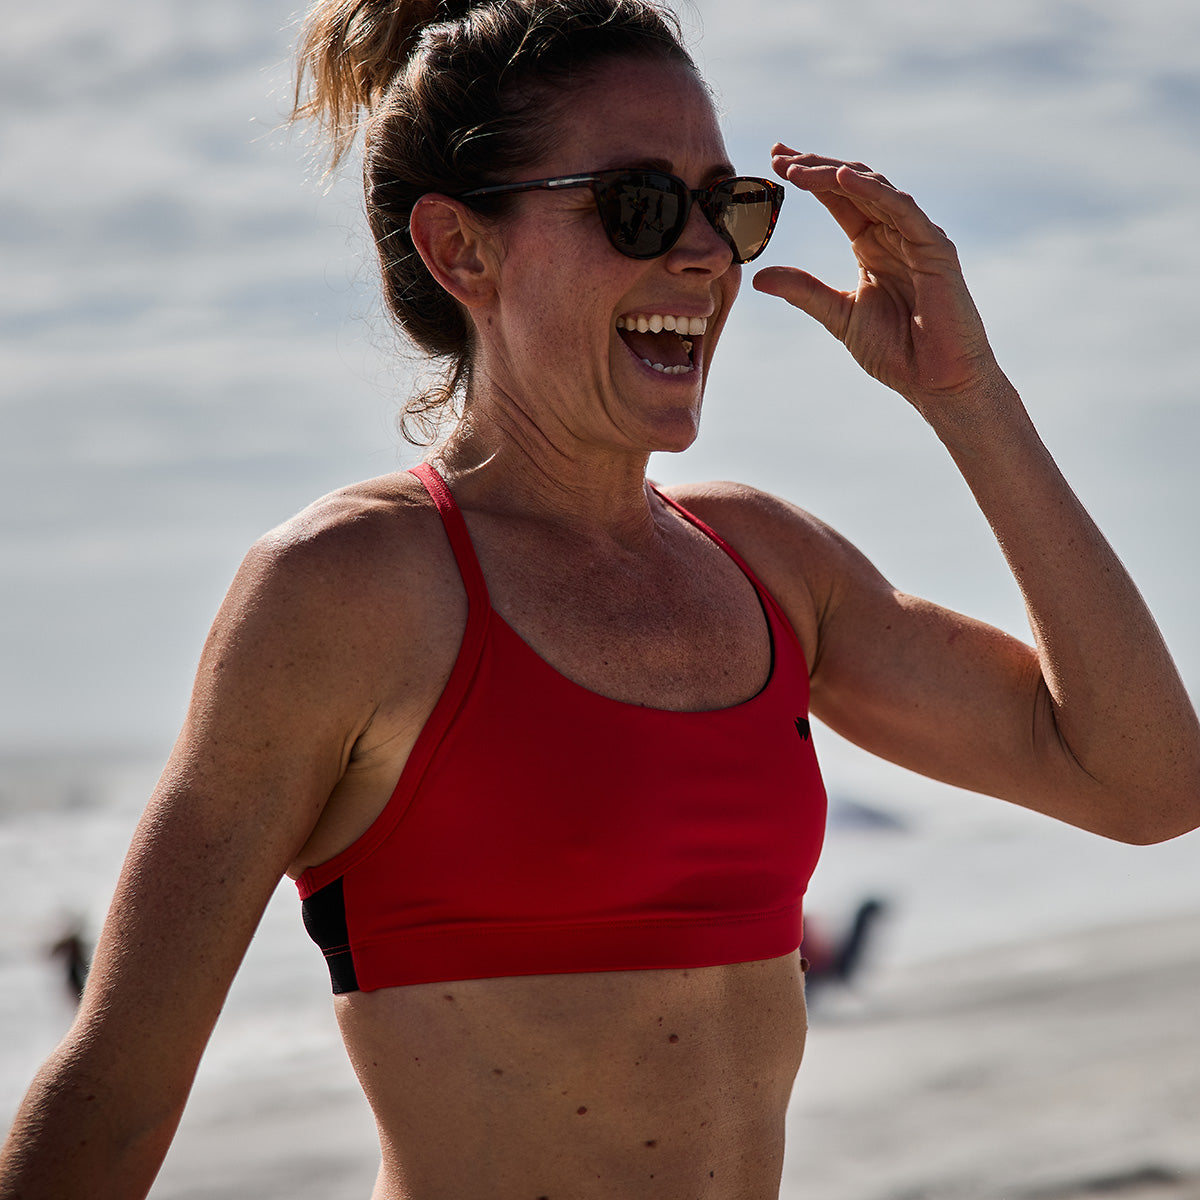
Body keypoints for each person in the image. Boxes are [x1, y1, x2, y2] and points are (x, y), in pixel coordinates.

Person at [3, 0, 1198, 1196]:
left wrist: (967, 395)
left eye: (727, 207)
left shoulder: (765, 564)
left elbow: (1145, 783)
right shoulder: (351, 587)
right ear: (462, 249)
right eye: (637, 204)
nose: (702, 253)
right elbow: (112, 1097)